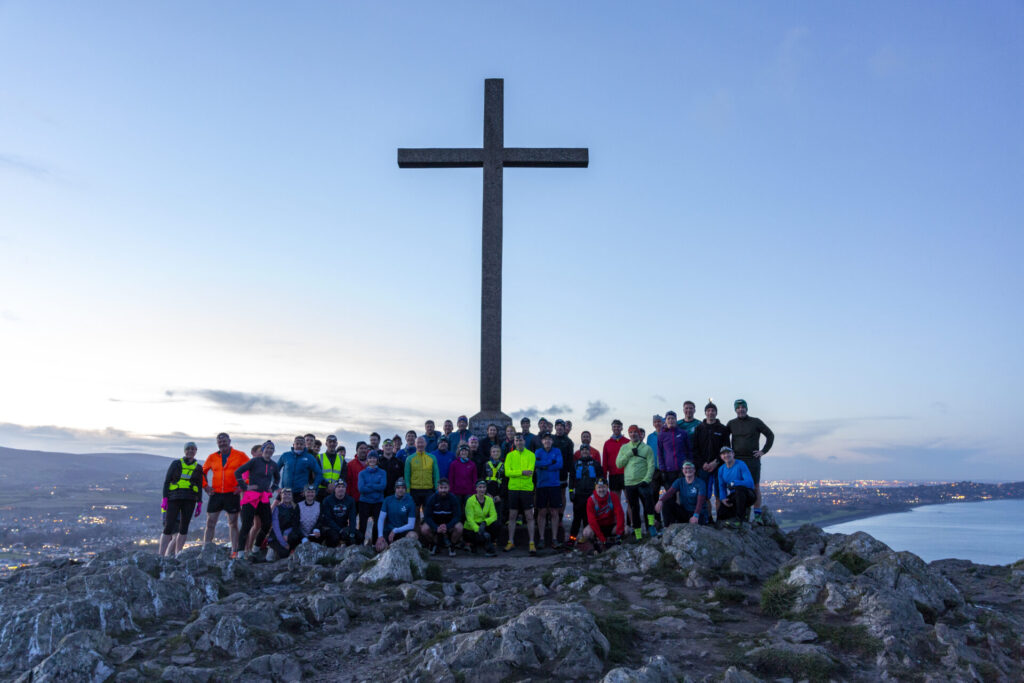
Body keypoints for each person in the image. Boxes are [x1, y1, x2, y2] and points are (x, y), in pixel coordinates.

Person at [727, 399, 775, 525]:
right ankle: (744, 514)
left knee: (755, 486)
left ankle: (757, 514)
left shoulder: (755, 422)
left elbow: (770, 435)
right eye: (738, 408)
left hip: (752, 460)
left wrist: (763, 451)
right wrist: (729, 453)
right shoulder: (731, 423)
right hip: (737, 460)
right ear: (735, 410)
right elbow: (724, 438)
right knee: (740, 487)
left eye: (743, 407)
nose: (740, 409)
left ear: (746, 409)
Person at [202, 432, 250, 556]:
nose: (222, 443)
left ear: (229, 441)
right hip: (216, 494)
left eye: (224, 441)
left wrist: (242, 486)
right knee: (210, 523)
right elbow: (202, 472)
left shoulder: (240, 455)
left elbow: (251, 470)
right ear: (217, 443)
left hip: (232, 493)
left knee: (233, 523)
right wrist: (205, 486)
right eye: (220, 442)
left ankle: (235, 551)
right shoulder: (212, 457)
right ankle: (206, 549)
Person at [234, 440, 281, 560]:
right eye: (267, 448)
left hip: (264, 497)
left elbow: (277, 478)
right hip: (251, 497)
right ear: (263, 449)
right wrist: (245, 487)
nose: (269, 450)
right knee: (247, 524)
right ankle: (240, 553)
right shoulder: (255, 461)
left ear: (273, 451)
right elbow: (238, 472)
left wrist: (273, 488)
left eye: (272, 448)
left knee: (266, 523)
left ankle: (256, 548)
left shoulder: (273, 465)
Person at [159, 441, 205, 557]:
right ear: (185, 451)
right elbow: (167, 481)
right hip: (174, 498)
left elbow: (199, 486)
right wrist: (165, 498)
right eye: (188, 449)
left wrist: (199, 502)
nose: (190, 451)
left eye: (193, 449)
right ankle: (160, 555)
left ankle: (178, 554)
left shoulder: (198, 468)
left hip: (190, 499)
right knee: (168, 526)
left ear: (196, 451)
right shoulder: (176, 464)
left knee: (184, 527)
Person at [616, 425, 657, 540]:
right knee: (634, 508)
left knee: (648, 504)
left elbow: (651, 465)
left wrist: (647, 480)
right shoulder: (624, 448)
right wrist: (629, 453)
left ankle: (651, 526)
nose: (633, 434)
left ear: (639, 434)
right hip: (629, 483)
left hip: (643, 481)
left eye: (635, 432)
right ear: (628, 434)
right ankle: (638, 533)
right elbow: (618, 464)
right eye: (631, 432)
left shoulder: (647, 448)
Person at [693, 402, 730, 522]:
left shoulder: (723, 429)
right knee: (704, 495)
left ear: (716, 412)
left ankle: (720, 518)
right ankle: (708, 518)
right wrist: (702, 463)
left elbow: (727, 449)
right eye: (708, 410)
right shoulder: (699, 428)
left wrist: (716, 462)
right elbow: (695, 449)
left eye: (713, 410)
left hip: (719, 467)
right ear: (705, 413)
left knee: (720, 494)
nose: (710, 412)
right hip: (703, 467)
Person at [503, 433, 537, 555]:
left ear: (524, 441)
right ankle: (510, 541)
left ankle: (531, 542)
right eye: (517, 440)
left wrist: (516, 472)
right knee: (512, 516)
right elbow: (507, 472)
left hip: (527, 489)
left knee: (529, 516)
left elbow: (530, 472)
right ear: (514, 442)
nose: (519, 442)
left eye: (521, 440)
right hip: (513, 489)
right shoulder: (509, 455)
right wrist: (522, 472)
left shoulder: (531, 455)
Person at [656, 411, 692, 515]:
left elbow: (689, 450)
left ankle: (685, 517)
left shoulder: (683, 433)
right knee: (670, 495)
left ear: (676, 420)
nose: (671, 421)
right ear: (665, 421)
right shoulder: (662, 435)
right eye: (668, 419)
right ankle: (671, 520)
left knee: (684, 494)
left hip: (683, 469)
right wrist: (662, 469)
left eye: (673, 418)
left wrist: (690, 463)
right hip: (669, 470)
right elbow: (660, 453)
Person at [568, 443, 603, 542]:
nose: (584, 451)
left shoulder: (595, 464)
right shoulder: (575, 464)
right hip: (579, 495)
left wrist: (599, 493)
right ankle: (572, 539)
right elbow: (571, 478)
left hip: (591, 495)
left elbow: (601, 478)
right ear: (580, 452)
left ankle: (588, 538)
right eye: (582, 450)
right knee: (577, 519)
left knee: (589, 518)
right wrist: (571, 491)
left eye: (586, 449)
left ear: (589, 451)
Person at [533, 433, 564, 549]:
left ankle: (554, 539)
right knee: (541, 512)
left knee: (554, 512)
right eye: (545, 439)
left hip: (554, 485)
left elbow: (560, 465)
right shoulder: (538, 452)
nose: (547, 441)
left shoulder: (557, 451)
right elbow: (536, 463)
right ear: (542, 441)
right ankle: (541, 539)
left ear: (552, 441)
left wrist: (544, 466)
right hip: (541, 485)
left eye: (549, 439)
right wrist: (551, 462)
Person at [655, 461, 706, 527]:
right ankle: (666, 528)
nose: (688, 470)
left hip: (698, 513)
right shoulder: (679, 481)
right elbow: (669, 492)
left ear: (694, 470)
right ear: (682, 470)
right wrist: (660, 501)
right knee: (667, 502)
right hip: (685, 512)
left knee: (697, 522)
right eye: (686, 468)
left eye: (690, 468)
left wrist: (695, 515)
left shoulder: (700, 483)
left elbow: (700, 502)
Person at [580, 479, 625, 553]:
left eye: (603, 487)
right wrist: (602, 539)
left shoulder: (613, 496)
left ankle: (616, 540)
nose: (601, 490)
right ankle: (595, 544)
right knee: (586, 532)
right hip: (598, 526)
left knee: (626, 530)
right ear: (595, 488)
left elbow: (620, 514)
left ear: (607, 487)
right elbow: (592, 521)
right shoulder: (591, 500)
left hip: (611, 525)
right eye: (599, 487)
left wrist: (619, 533)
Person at [421, 479, 463, 556]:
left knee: (459, 527)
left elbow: (457, 516)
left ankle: (452, 545)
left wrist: (447, 526)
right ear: (438, 488)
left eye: (445, 488)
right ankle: (434, 544)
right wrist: (436, 527)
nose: (443, 490)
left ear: (449, 488)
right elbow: (427, 517)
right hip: (436, 524)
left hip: (449, 524)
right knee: (424, 529)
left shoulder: (453, 498)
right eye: (441, 488)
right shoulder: (432, 499)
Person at [717, 447, 756, 528]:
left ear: (733, 454)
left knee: (739, 489)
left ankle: (739, 520)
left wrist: (734, 483)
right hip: (735, 496)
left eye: (728, 453)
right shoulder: (721, 469)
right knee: (721, 514)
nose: (726, 455)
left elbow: (750, 483)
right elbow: (721, 486)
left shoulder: (741, 464)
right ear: (721, 457)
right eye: (724, 454)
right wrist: (723, 498)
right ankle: (733, 517)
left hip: (748, 495)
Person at [375, 478, 418, 551]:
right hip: (389, 531)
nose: (400, 490)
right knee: (380, 547)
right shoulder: (388, 500)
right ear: (395, 489)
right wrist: (380, 536)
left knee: (413, 536)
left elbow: (411, 524)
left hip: (403, 531)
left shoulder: (410, 502)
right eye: (398, 488)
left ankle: (407, 557)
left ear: (406, 489)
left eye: (403, 488)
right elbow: (381, 519)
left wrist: (395, 530)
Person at [551, 419, 574, 544]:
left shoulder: (568, 441)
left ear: (564, 428)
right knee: (551, 494)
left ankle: (560, 516)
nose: (559, 428)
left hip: (563, 472)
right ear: (555, 427)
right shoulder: (551, 439)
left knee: (561, 494)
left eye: (561, 426)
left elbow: (570, 457)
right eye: (557, 426)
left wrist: (571, 472)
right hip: (551, 471)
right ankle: (552, 516)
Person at [357, 451, 387, 544]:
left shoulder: (382, 472)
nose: (372, 460)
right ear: (367, 459)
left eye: (374, 458)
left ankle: (375, 544)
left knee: (377, 524)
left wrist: (369, 485)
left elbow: (383, 486)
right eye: (370, 458)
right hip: (364, 502)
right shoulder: (362, 473)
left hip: (378, 501)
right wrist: (375, 486)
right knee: (362, 524)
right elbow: (361, 488)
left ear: (377, 459)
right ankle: (360, 544)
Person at [404, 436, 439, 514]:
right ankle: (414, 525)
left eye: (422, 442)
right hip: (414, 490)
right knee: (414, 512)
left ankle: (426, 525)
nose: (420, 444)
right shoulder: (409, 458)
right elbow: (407, 476)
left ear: (425, 444)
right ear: (415, 444)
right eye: (418, 443)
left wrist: (437, 489)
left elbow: (436, 475)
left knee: (428, 512)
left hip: (428, 489)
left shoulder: (432, 457)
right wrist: (407, 490)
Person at [464, 480, 499, 556]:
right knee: (481, 535)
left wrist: (485, 522)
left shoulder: (489, 500)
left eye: (484, 487)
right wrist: (478, 529)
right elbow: (469, 519)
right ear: (476, 489)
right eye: (480, 487)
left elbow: (494, 515)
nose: (482, 489)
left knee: (496, 524)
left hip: (483, 523)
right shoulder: (470, 501)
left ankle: (489, 544)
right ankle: (474, 544)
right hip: (471, 527)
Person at [319, 479, 358, 547]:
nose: (341, 489)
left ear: (345, 489)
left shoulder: (351, 500)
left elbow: (352, 518)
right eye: (338, 487)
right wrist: (340, 530)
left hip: (344, 527)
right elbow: (328, 519)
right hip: (331, 528)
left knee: (359, 536)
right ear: (335, 489)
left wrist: (352, 533)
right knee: (334, 538)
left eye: (343, 487)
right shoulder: (327, 500)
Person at [268, 489, 300, 560]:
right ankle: (271, 551)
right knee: (284, 554)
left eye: (289, 494)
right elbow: (276, 528)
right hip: (275, 536)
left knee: (296, 536)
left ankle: (288, 551)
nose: (287, 496)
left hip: (287, 534)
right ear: (281, 496)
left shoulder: (294, 508)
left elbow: (294, 524)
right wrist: (283, 543)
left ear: (292, 496)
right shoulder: (277, 508)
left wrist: (286, 533)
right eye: (284, 494)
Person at [602, 420, 629, 497]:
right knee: (615, 501)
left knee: (630, 500)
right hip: (613, 475)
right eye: (614, 426)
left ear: (622, 428)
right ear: (612, 428)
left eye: (618, 426)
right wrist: (604, 477)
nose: (616, 428)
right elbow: (605, 461)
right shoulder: (607, 443)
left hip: (626, 474)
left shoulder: (627, 442)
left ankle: (629, 510)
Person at [315, 436, 345, 504]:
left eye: (334, 442)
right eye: (330, 442)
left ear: (336, 443)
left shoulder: (341, 459)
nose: (332, 444)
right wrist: (327, 485)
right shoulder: (319, 457)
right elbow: (317, 474)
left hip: (336, 491)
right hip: (321, 491)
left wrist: (336, 485)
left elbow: (343, 475)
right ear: (326, 443)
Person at [483, 445, 507, 524]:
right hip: (487, 493)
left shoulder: (503, 465)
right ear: (490, 453)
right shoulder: (486, 464)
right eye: (493, 452)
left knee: (498, 517)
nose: (495, 453)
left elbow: (505, 482)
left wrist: (500, 495)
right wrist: (486, 493)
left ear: (500, 453)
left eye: (497, 452)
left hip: (498, 494)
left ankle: (497, 535)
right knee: (486, 515)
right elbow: (482, 479)